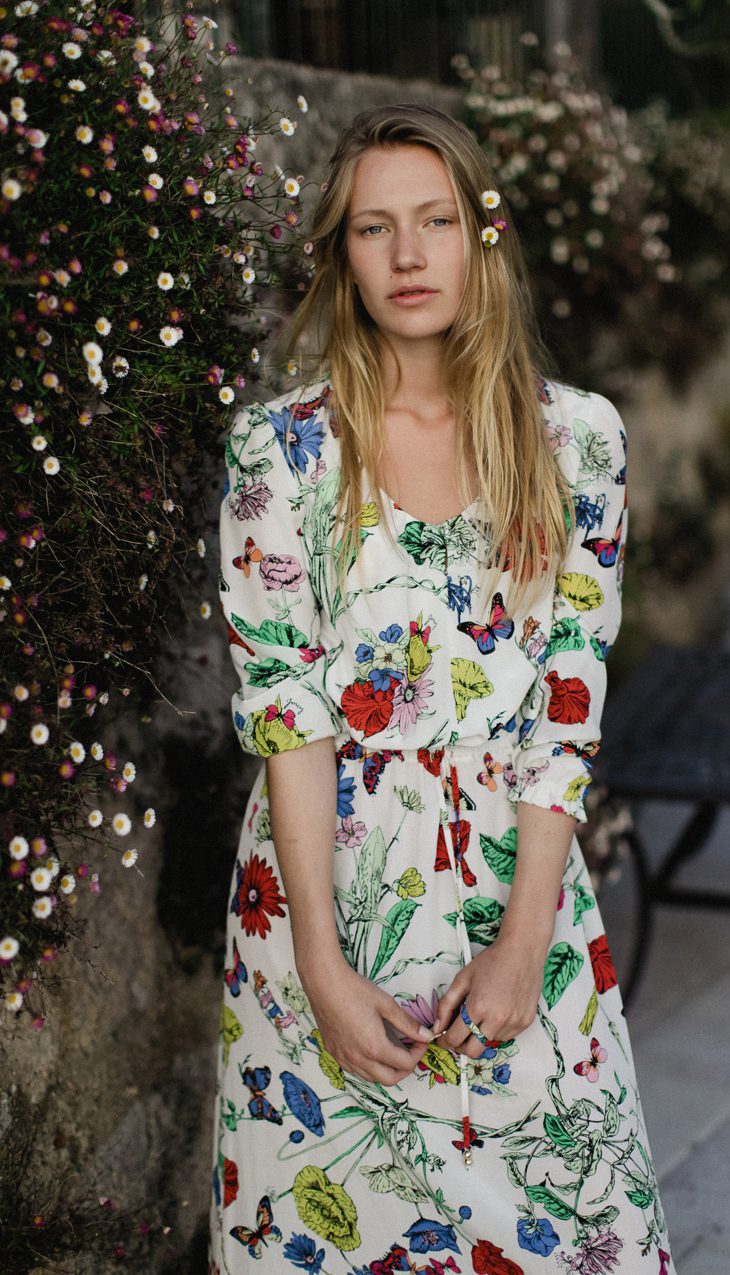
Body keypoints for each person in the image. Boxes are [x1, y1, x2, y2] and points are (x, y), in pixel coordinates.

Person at [209, 103, 675, 1274]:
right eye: (374, 228)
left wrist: (524, 942)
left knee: (570, 1229)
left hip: (514, 891)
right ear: (342, 252)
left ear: (484, 236)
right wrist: (320, 966)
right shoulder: (283, 450)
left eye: (436, 221)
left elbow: (568, 699)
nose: (408, 256)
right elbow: (286, 716)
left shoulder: (576, 442)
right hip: (325, 897)